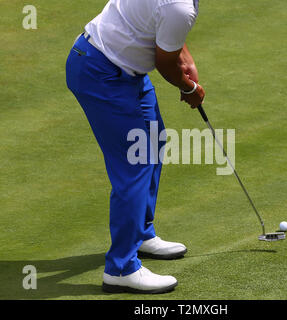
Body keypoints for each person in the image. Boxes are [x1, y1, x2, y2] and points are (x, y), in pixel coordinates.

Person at [66, 0, 205, 294]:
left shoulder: (179, 6)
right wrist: (189, 88)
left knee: (154, 141)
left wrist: (186, 58)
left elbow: (165, 32)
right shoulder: (179, 7)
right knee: (136, 162)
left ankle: (140, 233)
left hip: (122, 69)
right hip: (102, 72)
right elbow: (165, 63)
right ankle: (120, 268)